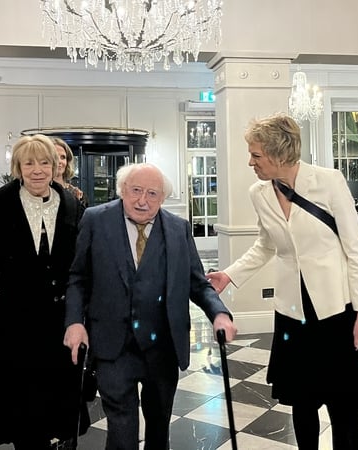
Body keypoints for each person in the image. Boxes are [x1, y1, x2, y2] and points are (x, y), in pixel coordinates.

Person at [206, 113, 358, 450]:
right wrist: (230, 274)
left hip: (337, 309)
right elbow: (266, 245)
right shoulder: (259, 193)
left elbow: (355, 251)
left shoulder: (328, 181)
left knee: (343, 405)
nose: (250, 162)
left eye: (256, 155)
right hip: (292, 312)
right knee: (302, 403)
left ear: (279, 153)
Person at [62, 162, 237, 450]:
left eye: (153, 194)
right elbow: (78, 277)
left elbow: (197, 282)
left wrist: (218, 313)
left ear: (163, 198)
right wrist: (74, 322)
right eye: (136, 191)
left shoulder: (178, 229)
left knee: (158, 425)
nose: (143, 200)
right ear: (122, 191)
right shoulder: (95, 220)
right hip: (112, 345)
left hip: (163, 346)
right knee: (121, 427)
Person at [0, 134, 87, 450]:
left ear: (55, 165)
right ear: (18, 167)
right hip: (15, 317)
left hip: (59, 316)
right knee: (20, 394)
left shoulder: (72, 204)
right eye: (29, 163)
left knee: (56, 394)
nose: (38, 170)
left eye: (44, 162)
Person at [52, 137, 88, 207]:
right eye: (54, 157)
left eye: (63, 157)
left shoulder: (79, 195)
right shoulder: (38, 193)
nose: (59, 161)